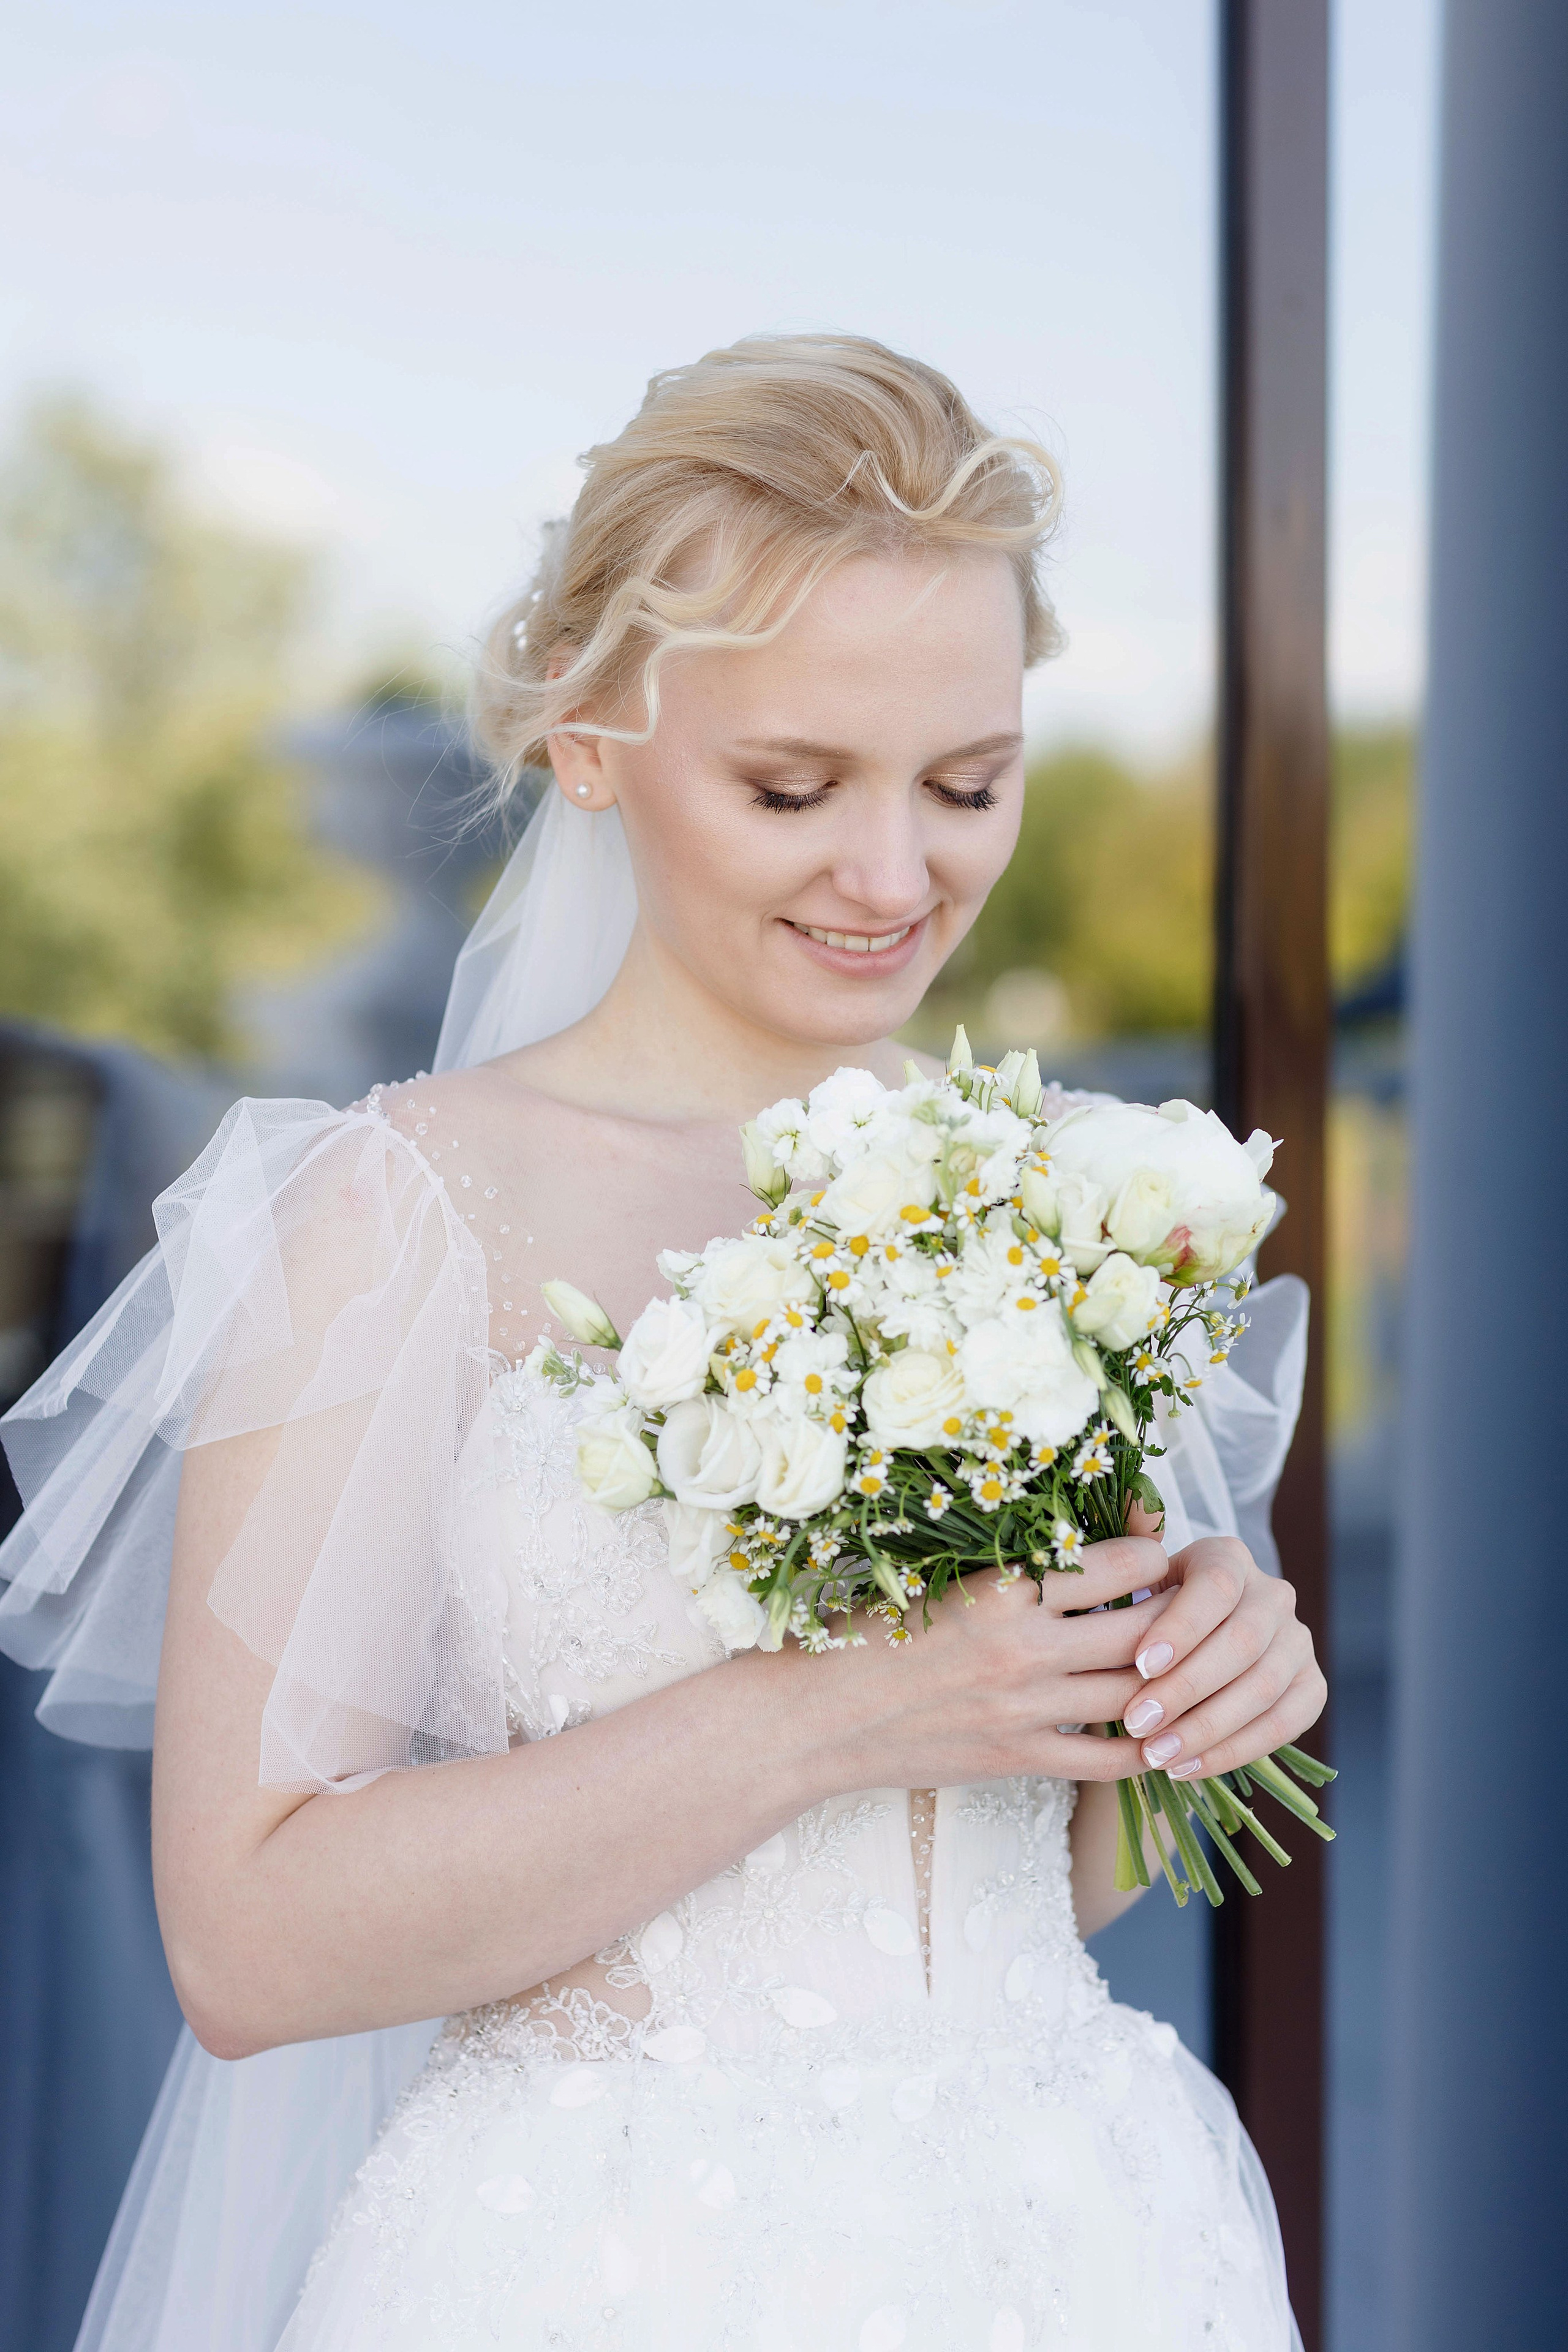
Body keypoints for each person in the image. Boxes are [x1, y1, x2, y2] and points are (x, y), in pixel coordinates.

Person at [0, 334, 1322, 2352]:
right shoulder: (394, 1218)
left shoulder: (1072, 1188)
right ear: (589, 731)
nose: (897, 875)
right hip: (600, 2266)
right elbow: (249, 1944)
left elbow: (1022, 1875)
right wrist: (840, 1709)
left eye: (969, 784)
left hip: (1075, 2231)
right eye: (794, 786)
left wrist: (1197, 1688)